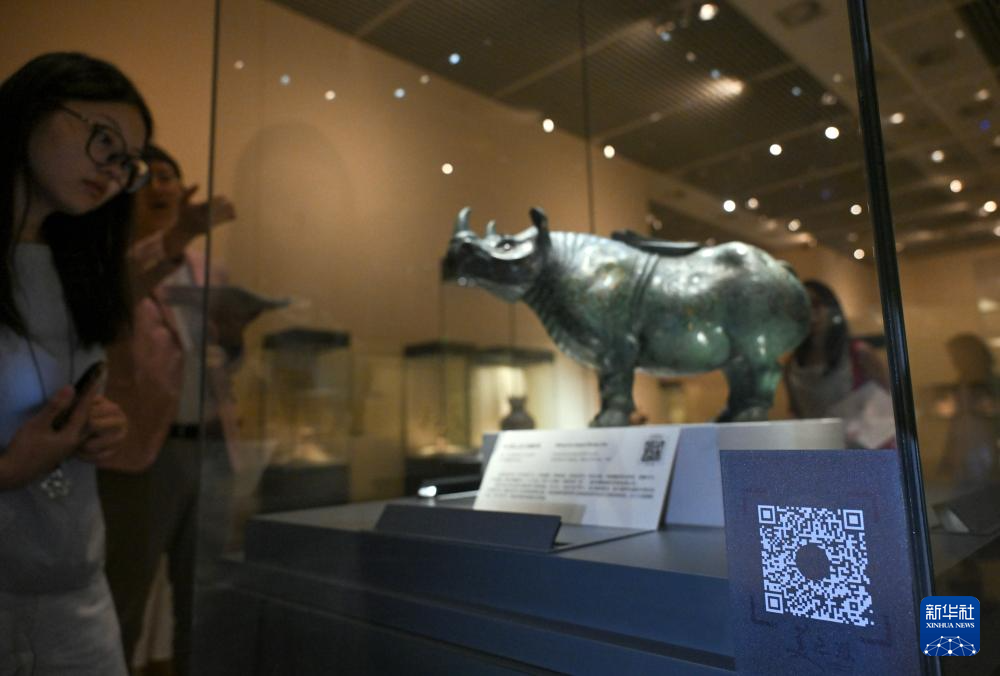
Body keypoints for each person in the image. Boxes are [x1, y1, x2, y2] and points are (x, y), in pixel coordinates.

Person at [0, 52, 152, 675]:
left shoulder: (80, 265)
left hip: (76, 587)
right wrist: (10, 468)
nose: (113, 170)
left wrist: (100, 421)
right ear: (33, 110)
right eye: (103, 139)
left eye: (127, 162)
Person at [96, 145, 239, 676]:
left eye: (168, 176)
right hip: (139, 454)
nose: (160, 186)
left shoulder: (210, 271)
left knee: (205, 599)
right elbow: (119, 299)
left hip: (210, 449)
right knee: (122, 596)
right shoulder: (108, 262)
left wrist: (236, 342)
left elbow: (223, 359)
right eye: (148, 178)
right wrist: (179, 236)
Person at [784, 280, 894, 448]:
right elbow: (797, 415)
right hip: (822, 452)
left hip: (868, 451)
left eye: (816, 304)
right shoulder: (791, 366)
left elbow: (890, 400)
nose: (811, 313)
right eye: (803, 307)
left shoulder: (859, 353)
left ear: (832, 309)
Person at [936, 333, 1000, 486]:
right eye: (954, 357)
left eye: (959, 357)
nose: (955, 362)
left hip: (987, 454)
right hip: (964, 457)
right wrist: (947, 459)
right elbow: (957, 427)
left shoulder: (993, 385)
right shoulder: (959, 386)